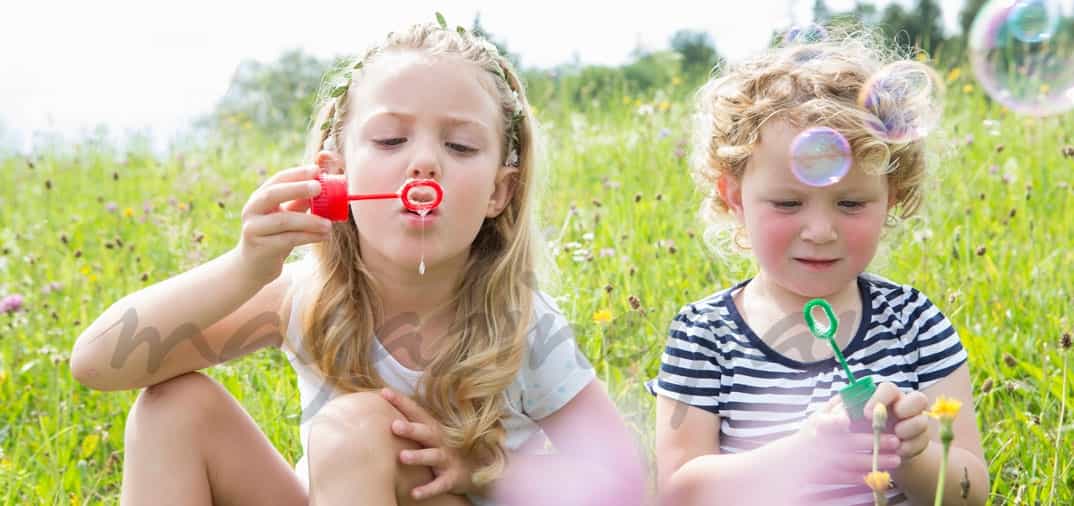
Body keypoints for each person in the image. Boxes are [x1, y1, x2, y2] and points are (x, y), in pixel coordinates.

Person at [71, 18, 642, 506]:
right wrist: (247, 266)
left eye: (460, 147)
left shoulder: (521, 326)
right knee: (173, 409)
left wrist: (487, 469)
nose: (423, 163)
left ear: (500, 192)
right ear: (334, 176)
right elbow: (97, 364)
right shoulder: (305, 295)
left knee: (358, 426)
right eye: (391, 140)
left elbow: (625, 483)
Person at [649, 30, 988, 505]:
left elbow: (970, 494)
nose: (820, 230)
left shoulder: (914, 324)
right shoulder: (705, 334)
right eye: (788, 203)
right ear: (735, 199)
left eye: (850, 203)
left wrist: (911, 454)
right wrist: (801, 454)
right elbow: (678, 491)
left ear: (890, 199)